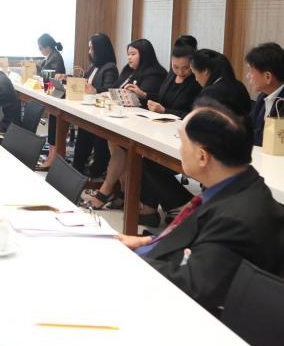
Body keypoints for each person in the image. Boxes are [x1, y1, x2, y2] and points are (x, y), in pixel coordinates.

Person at [118, 102, 284, 316]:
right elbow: (196, 237)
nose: (179, 148)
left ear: (202, 156)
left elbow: (193, 285)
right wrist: (147, 242)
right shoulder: (236, 185)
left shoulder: (236, 218)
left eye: (182, 141)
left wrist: (128, 261)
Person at [83, 38, 168, 209]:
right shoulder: (128, 71)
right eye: (128, 54)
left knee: (119, 150)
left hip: (144, 125)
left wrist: (141, 93)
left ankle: (106, 191)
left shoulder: (155, 73)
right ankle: (122, 192)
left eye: (133, 54)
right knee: (115, 145)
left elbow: (151, 99)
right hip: (123, 118)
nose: (129, 58)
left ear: (144, 55)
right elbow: (114, 89)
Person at [138, 44, 203, 227]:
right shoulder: (170, 77)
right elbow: (161, 97)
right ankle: (153, 209)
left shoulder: (196, 83)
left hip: (183, 136)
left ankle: (179, 204)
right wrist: (148, 99)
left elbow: (193, 113)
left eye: (185, 68)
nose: (180, 72)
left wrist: (165, 110)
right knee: (145, 155)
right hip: (163, 130)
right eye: (176, 67)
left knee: (149, 161)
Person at [69, 33, 119, 175]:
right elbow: (83, 81)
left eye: (92, 48)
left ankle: (86, 167)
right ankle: (77, 166)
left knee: (86, 131)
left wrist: (95, 90)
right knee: (84, 130)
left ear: (100, 49)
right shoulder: (94, 66)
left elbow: (109, 90)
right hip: (90, 109)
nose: (89, 51)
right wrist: (68, 78)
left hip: (101, 113)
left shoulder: (110, 67)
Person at [35, 33, 66, 170]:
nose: (39, 51)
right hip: (52, 95)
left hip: (57, 96)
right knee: (52, 127)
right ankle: (50, 155)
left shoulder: (55, 57)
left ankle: (52, 157)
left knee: (54, 127)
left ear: (47, 47)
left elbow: (51, 77)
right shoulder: (51, 56)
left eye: (40, 48)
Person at [190, 49, 252, 119]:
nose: (196, 79)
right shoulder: (239, 85)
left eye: (195, 74)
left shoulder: (210, 94)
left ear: (205, 71)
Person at [245, 42, 284, 146]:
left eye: (250, 71)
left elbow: (272, 138)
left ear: (267, 77)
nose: (247, 76)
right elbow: (248, 126)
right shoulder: (263, 96)